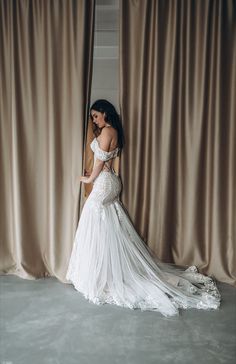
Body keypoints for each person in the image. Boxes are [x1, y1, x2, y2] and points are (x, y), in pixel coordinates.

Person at [66, 99, 221, 317]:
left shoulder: (107, 131)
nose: (94, 120)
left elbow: (99, 165)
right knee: (107, 224)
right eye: (93, 117)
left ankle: (100, 274)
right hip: (112, 182)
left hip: (103, 182)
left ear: (105, 114)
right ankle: (106, 270)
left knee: (94, 222)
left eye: (95, 116)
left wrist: (86, 178)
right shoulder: (114, 132)